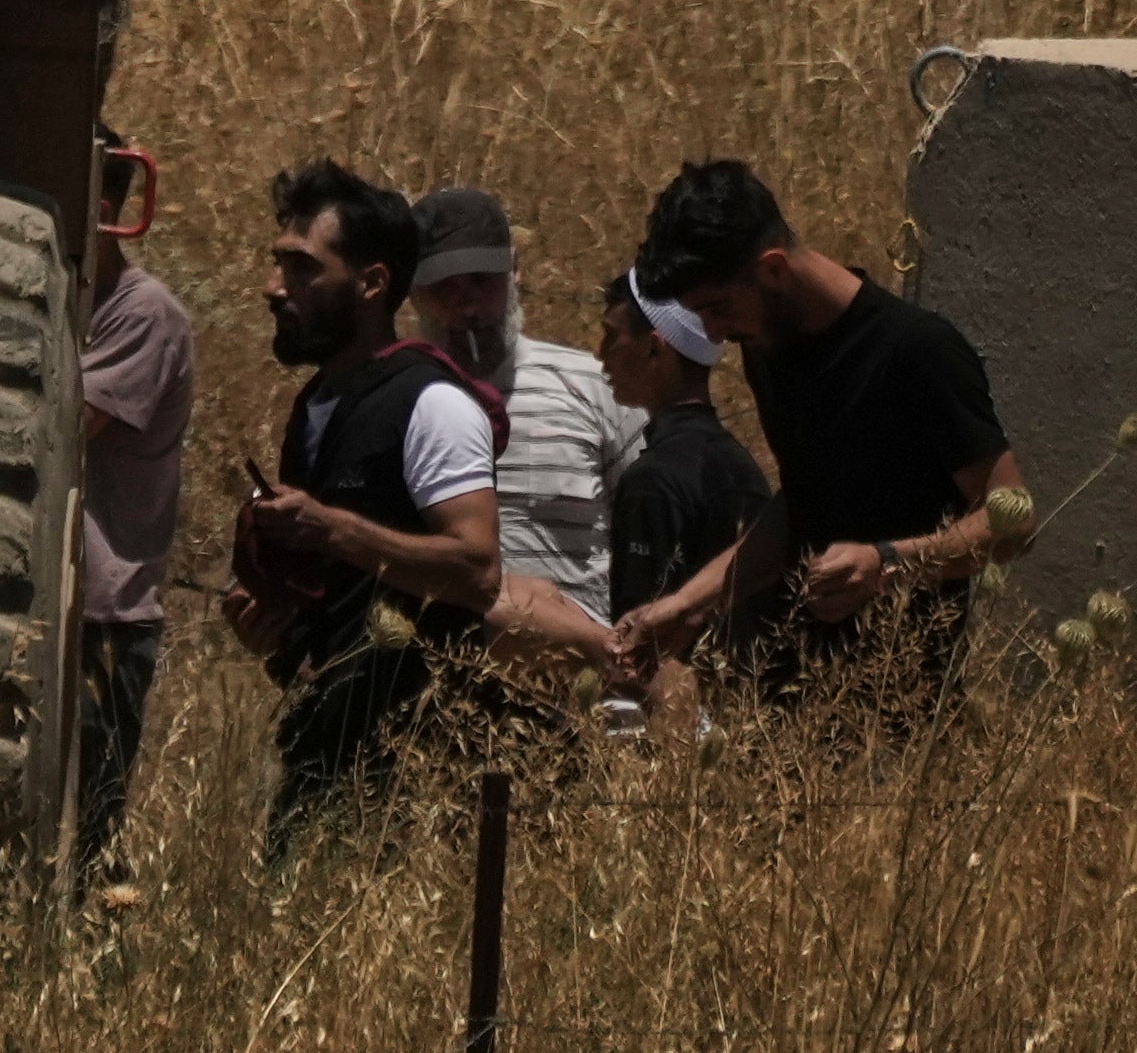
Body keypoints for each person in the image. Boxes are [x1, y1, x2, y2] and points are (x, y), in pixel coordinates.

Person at [603, 158, 1026, 707]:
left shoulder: (918, 352)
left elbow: (1014, 520)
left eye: (716, 308)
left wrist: (887, 563)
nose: (712, 333)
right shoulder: (766, 348)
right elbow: (804, 504)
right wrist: (685, 604)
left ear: (773, 269)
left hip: (901, 706)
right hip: (792, 704)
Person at [225, 160, 502, 851]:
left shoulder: (432, 404)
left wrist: (335, 529)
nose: (273, 288)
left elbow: (477, 571)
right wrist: (273, 625)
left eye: (302, 269)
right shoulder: (314, 406)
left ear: (373, 283)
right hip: (325, 755)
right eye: (276, 264)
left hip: (415, 778)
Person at [415, 185, 627, 675]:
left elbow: (651, 527)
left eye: (482, 283)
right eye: (445, 289)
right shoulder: (399, 406)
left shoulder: (592, 387)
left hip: (589, 687)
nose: (467, 308)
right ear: (412, 292)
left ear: (516, 272)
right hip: (447, 694)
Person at [68, 148, 198, 871]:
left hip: (102, 621)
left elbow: (60, 431)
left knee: (83, 834)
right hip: (72, 612)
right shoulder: (80, 306)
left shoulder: (142, 315)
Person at [594, 263, 767, 637]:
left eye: (611, 337)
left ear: (654, 350)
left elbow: (639, 641)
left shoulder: (652, 479)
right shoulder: (743, 466)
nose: (599, 354)